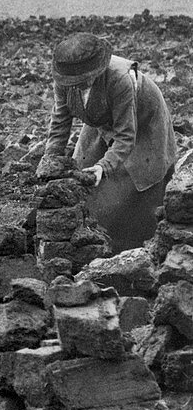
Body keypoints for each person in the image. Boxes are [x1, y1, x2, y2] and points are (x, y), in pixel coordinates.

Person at [42, 31, 176, 250]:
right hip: (100, 116)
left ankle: (134, 243)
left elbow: (125, 136)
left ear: (97, 70)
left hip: (142, 121)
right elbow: (60, 121)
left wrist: (104, 166)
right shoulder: (65, 79)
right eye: (74, 82)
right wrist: (49, 161)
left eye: (84, 80)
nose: (79, 84)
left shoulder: (120, 79)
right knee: (82, 174)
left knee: (136, 177)